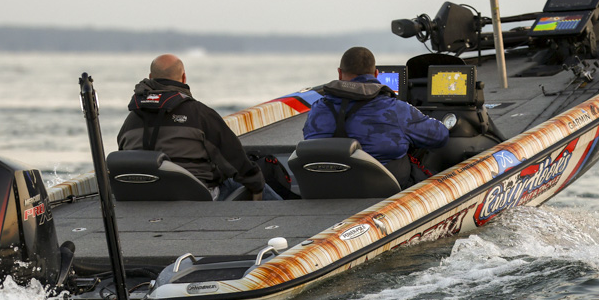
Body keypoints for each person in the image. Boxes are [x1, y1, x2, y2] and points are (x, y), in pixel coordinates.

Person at [117, 54, 281, 201]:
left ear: (150, 77)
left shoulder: (131, 120)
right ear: (184, 77)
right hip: (195, 195)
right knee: (255, 184)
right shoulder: (200, 114)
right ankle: (283, 216)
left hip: (145, 196)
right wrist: (256, 183)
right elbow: (234, 158)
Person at [303, 46, 449, 186]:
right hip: (384, 192)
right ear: (376, 74)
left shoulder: (317, 109)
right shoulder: (396, 109)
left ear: (340, 73)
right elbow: (440, 136)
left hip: (327, 188)